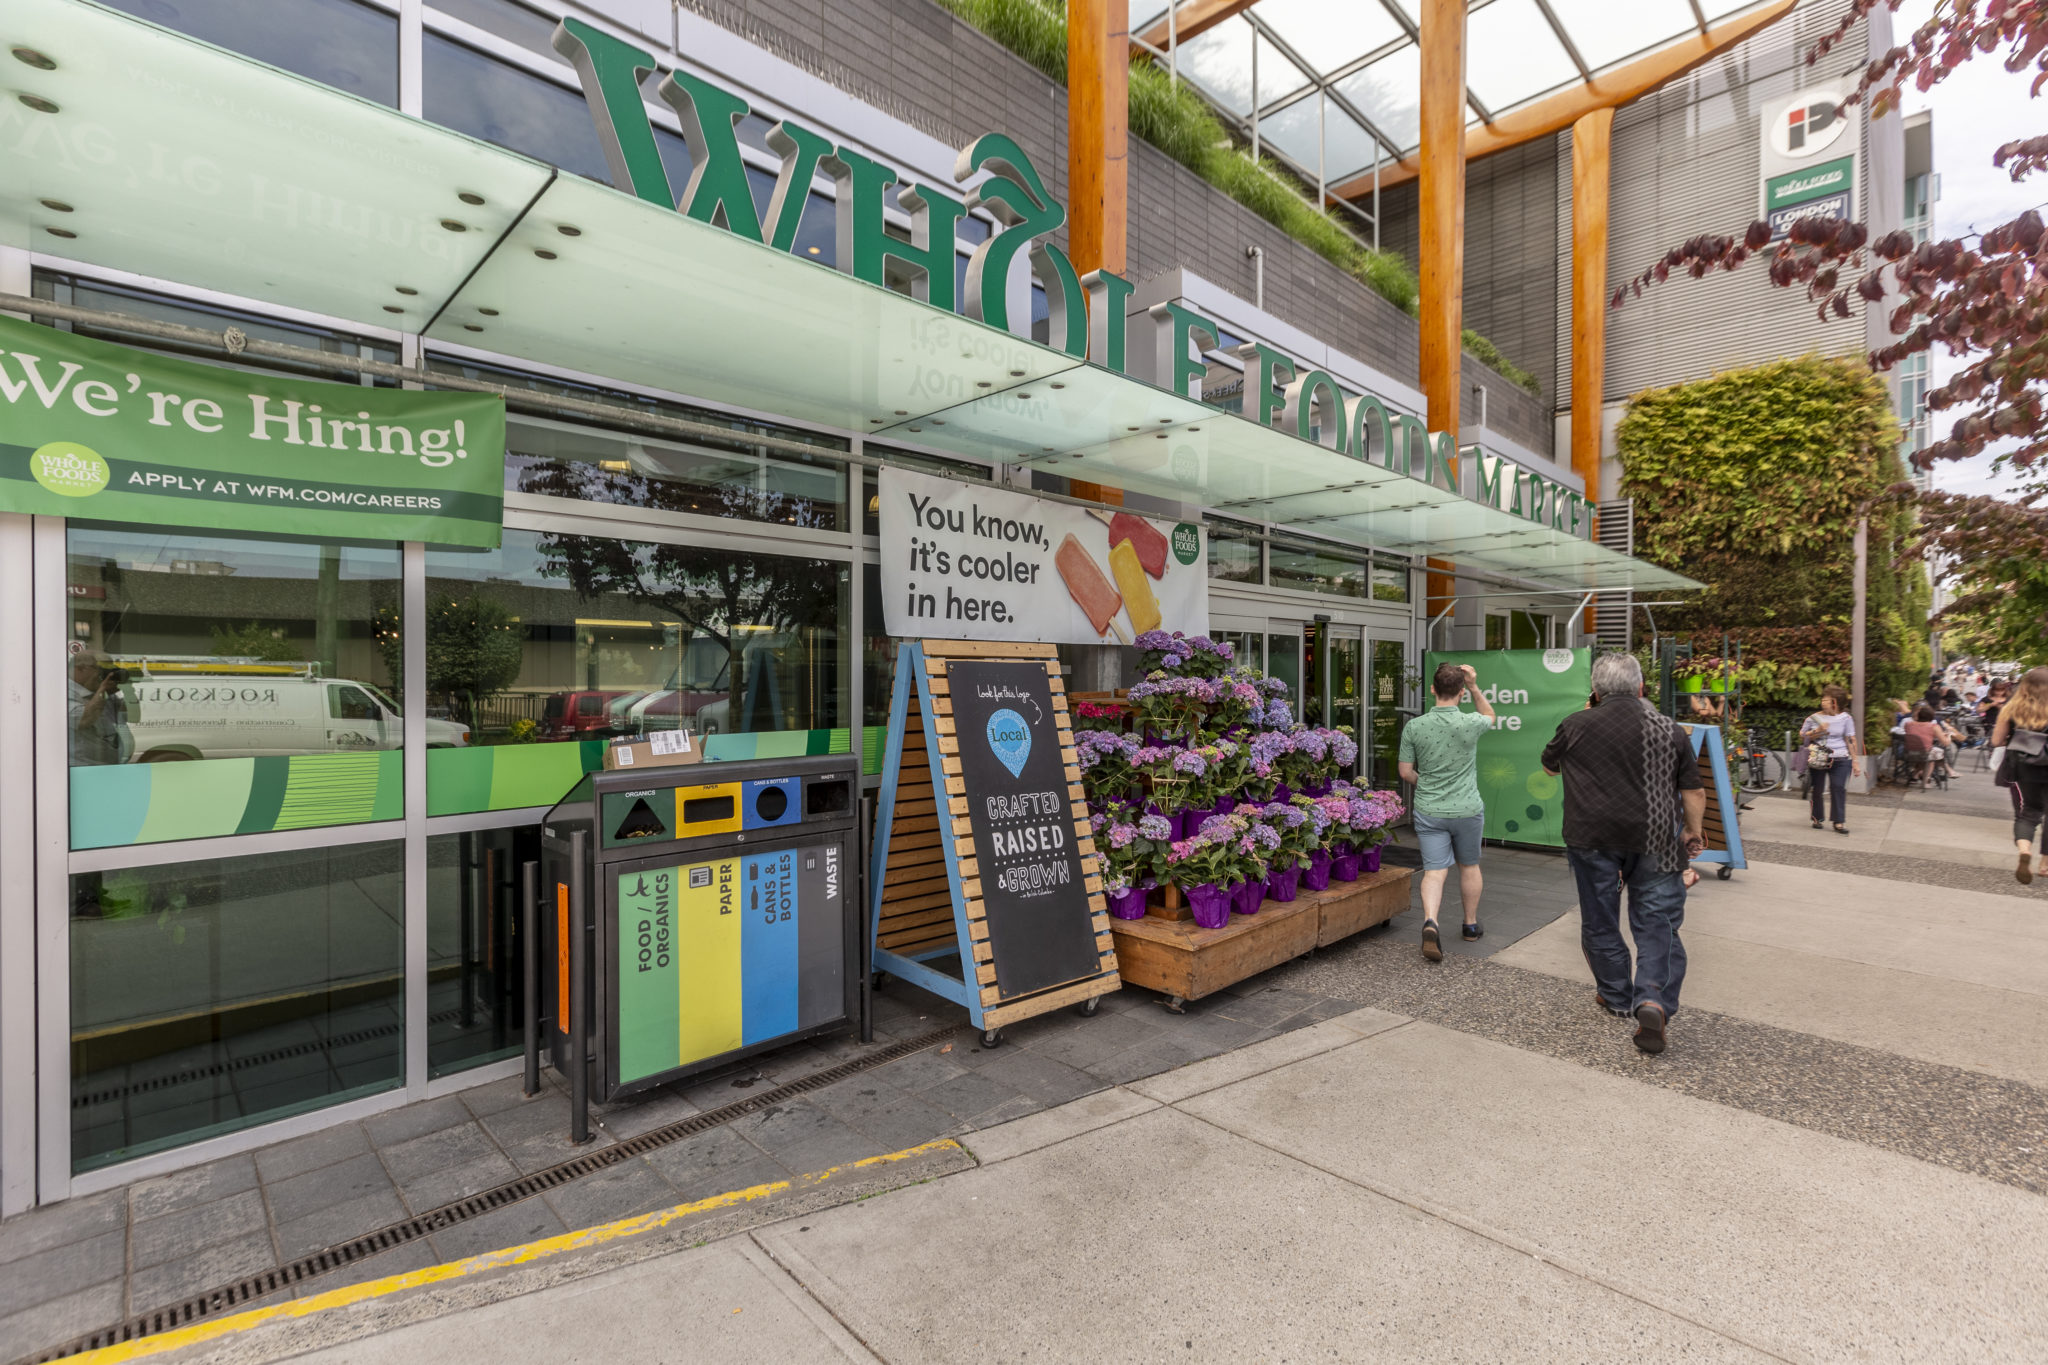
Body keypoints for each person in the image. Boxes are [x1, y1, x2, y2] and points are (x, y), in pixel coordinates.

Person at [1540, 653, 1706, 1055]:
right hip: (1656, 840)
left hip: (1589, 837)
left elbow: (1549, 768)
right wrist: (1693, 831)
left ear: (1595, 691)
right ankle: (1651, 999)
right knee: (1658, 922)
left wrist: (1584, 717)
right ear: (1641, 688)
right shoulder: (1669, 728)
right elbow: (1693, 791)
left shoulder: (1575, 724)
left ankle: (1615, 996)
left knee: (1599, 917)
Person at [1397, 662, 1495, 962]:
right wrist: (1476, 685)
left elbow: (1404, 772)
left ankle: (1431, 921)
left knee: (1435, 871)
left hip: (1430, 808)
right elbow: (1490, 715)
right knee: (1469, 866)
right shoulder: (1470, 723)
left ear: (1432, 689)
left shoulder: (1415, 726)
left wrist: (1424, 781)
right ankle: (1470, 925)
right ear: (1461, 692)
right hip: (1467, 808)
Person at [1991, 666, 2048, 885]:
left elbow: (1996, 741)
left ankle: (2025, 851)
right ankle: (2045, 864)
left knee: (2030, 811)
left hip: (2025, 766)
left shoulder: (2011, 708)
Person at [1801, 686, 1862, 834]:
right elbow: (1803, 735)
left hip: (1841, 758)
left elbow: (1850, 739)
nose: (1823, 702)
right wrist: (1818, 730)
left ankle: (1838, 821)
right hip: (1819, 758)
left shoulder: (1846, 718)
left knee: (1838, 787)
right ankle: (1817, 817)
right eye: (1823, 699)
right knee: (1818, 789)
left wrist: (1855, 761)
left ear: (1835, 702)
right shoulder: (1814, 718)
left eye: (1826, 700)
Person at [67, 650, 129, 767]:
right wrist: (102, 690)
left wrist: (126, 689)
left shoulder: (97, 691)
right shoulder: (64, 692)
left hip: (105, 766)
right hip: (83, 768)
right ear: (80, 669)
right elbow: (83, 720)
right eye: (102, 669)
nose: (106, 674)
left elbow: (128, 717)